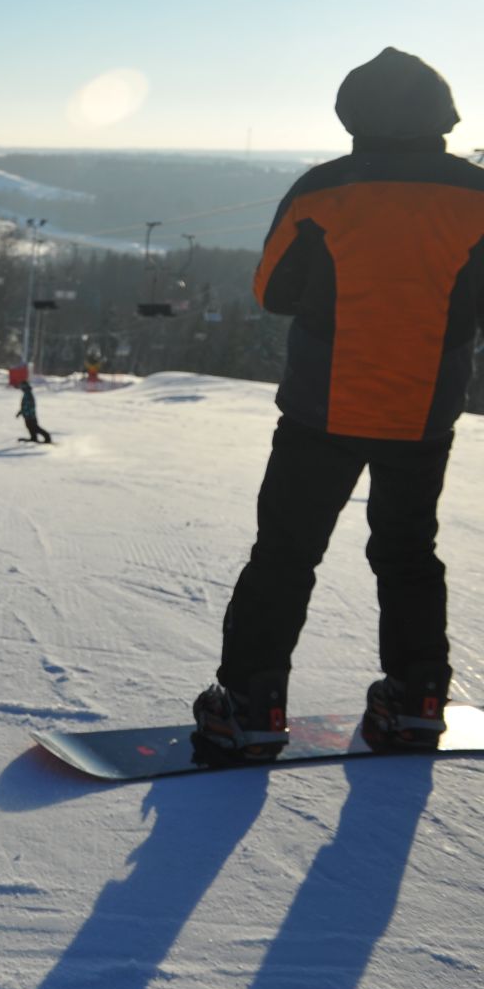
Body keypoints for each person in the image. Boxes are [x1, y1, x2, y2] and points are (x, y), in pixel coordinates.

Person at [193, 48, 484, 761]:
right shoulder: (477, 195)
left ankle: (251, 705)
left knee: (286, 554)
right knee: (410, 550)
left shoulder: (323, 191)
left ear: (352, 112)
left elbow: (271, 292)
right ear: (442, 113)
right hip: (424, 413)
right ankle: (418, 698)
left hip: (322, 412)